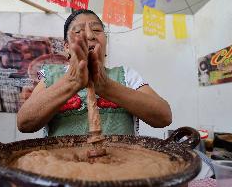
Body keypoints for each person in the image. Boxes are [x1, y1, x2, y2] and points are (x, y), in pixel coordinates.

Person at [17, 9, 172, 137]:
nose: (90, 35)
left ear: (105, 42)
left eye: (97, 30)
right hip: (63, 169)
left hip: (119, 170)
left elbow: (164, 117)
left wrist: (105, 86)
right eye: (78, 31)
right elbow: (24, 123)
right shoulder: (52, 76)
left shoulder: (126, 75)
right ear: (66, 47)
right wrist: (72, 81)